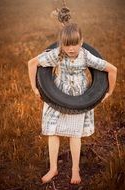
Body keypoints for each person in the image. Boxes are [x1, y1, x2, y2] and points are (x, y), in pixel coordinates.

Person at [28, 23, 117, 184]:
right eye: (67, 45)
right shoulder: (58, 54)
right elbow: (32, 63)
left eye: (75, 44)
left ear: (81, 42)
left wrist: (109, 92)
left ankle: (75, 170)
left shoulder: (86, 56)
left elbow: (112, 70)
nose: (71, 49)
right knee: (53, 132)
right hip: (56, 96)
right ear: (62, 44)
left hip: (78, 99)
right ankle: (53, 168)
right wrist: (35, 87)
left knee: (74, 134)